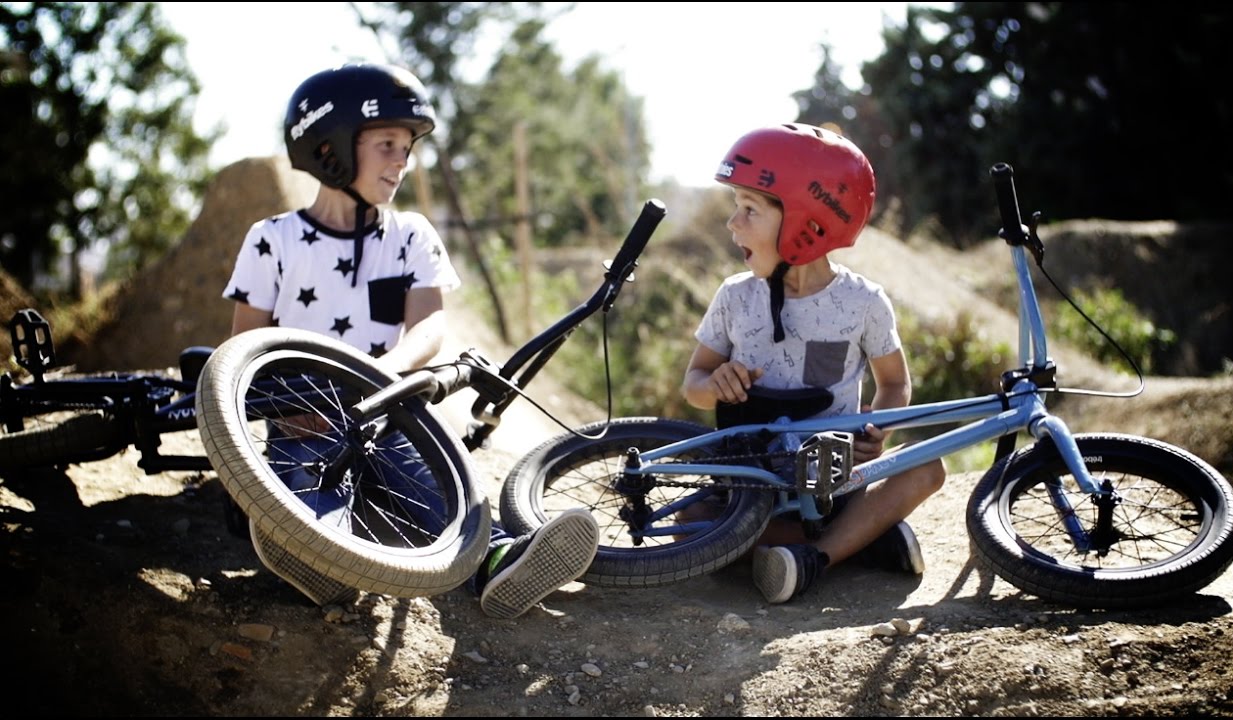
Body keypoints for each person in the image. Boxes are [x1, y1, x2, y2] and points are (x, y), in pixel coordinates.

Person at [220, 62, 598, 619]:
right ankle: (322, 554)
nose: (404, 160)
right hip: (304, 412)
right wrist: (288, 410)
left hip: (386, 404)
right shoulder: (272, 239)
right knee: (311, 483)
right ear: (331, 148)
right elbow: (243, 349)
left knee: (438, 490)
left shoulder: (410, 235)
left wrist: (377, 383)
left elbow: (430, 326)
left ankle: (500, 563)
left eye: (408, 147)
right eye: (388, 144)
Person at [681, 123, 946, 604]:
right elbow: (693, 385)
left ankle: (812, 557)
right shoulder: (734, 296)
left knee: (927, 467)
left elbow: (894, 384)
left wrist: (874, 429)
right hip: (754, 478)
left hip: (831, 474)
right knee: (687, 527)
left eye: (749, 210)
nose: (732, 224)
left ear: (806, 221)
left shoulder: (863, 301)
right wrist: (714, 382)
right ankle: (860, 543)